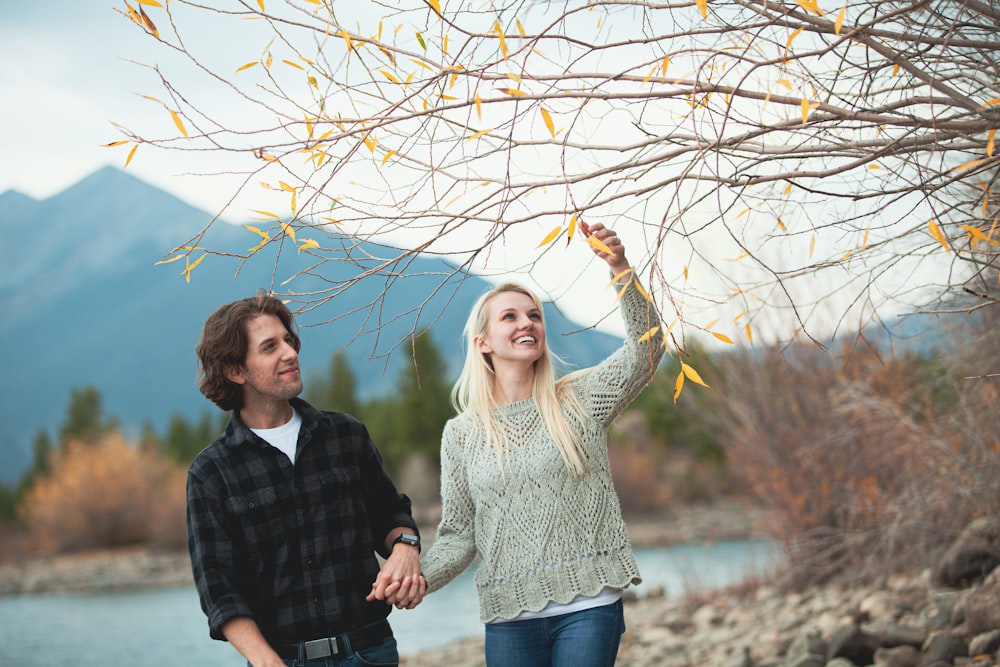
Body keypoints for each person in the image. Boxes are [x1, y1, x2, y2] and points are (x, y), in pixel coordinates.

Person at [404, 221, 666, 666]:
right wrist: (416, 580)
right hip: (509, 617)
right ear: (482, 342)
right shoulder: (462, 434)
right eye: (510, 316)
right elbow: (459, 534)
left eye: (534, 316)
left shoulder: (579, 402)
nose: (527, 322)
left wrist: (620, 269)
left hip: (589, 606)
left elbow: (648, 349)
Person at [186, 291, 426, 667]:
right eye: (269, 347)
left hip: (369, 652)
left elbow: (393, 516)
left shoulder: (347, 436)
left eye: (288, 341)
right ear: (235, 370)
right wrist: (266, 661)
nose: (290, 353)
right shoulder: (211, 472)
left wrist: (406, 549)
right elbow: (219, 589)